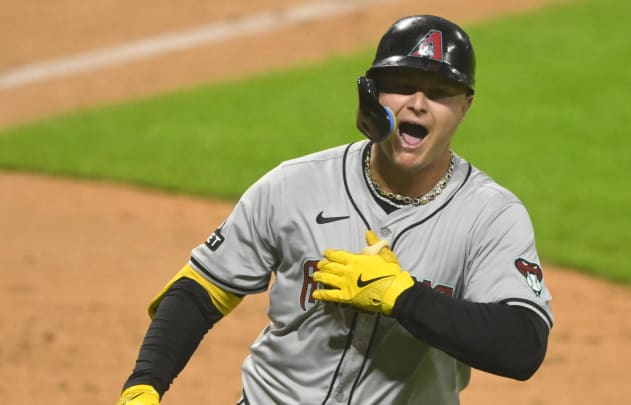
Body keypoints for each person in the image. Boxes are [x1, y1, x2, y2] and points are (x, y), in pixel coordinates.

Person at [116, 14, 553, 405]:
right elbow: (202, 287)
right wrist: (145, 382)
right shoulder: (296, 184)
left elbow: (522, 346)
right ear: (371, 94)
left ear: (465, 106)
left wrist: (403, 298)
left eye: (440, 93)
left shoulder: (491, 217)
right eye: (401, 86)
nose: (417, 103)